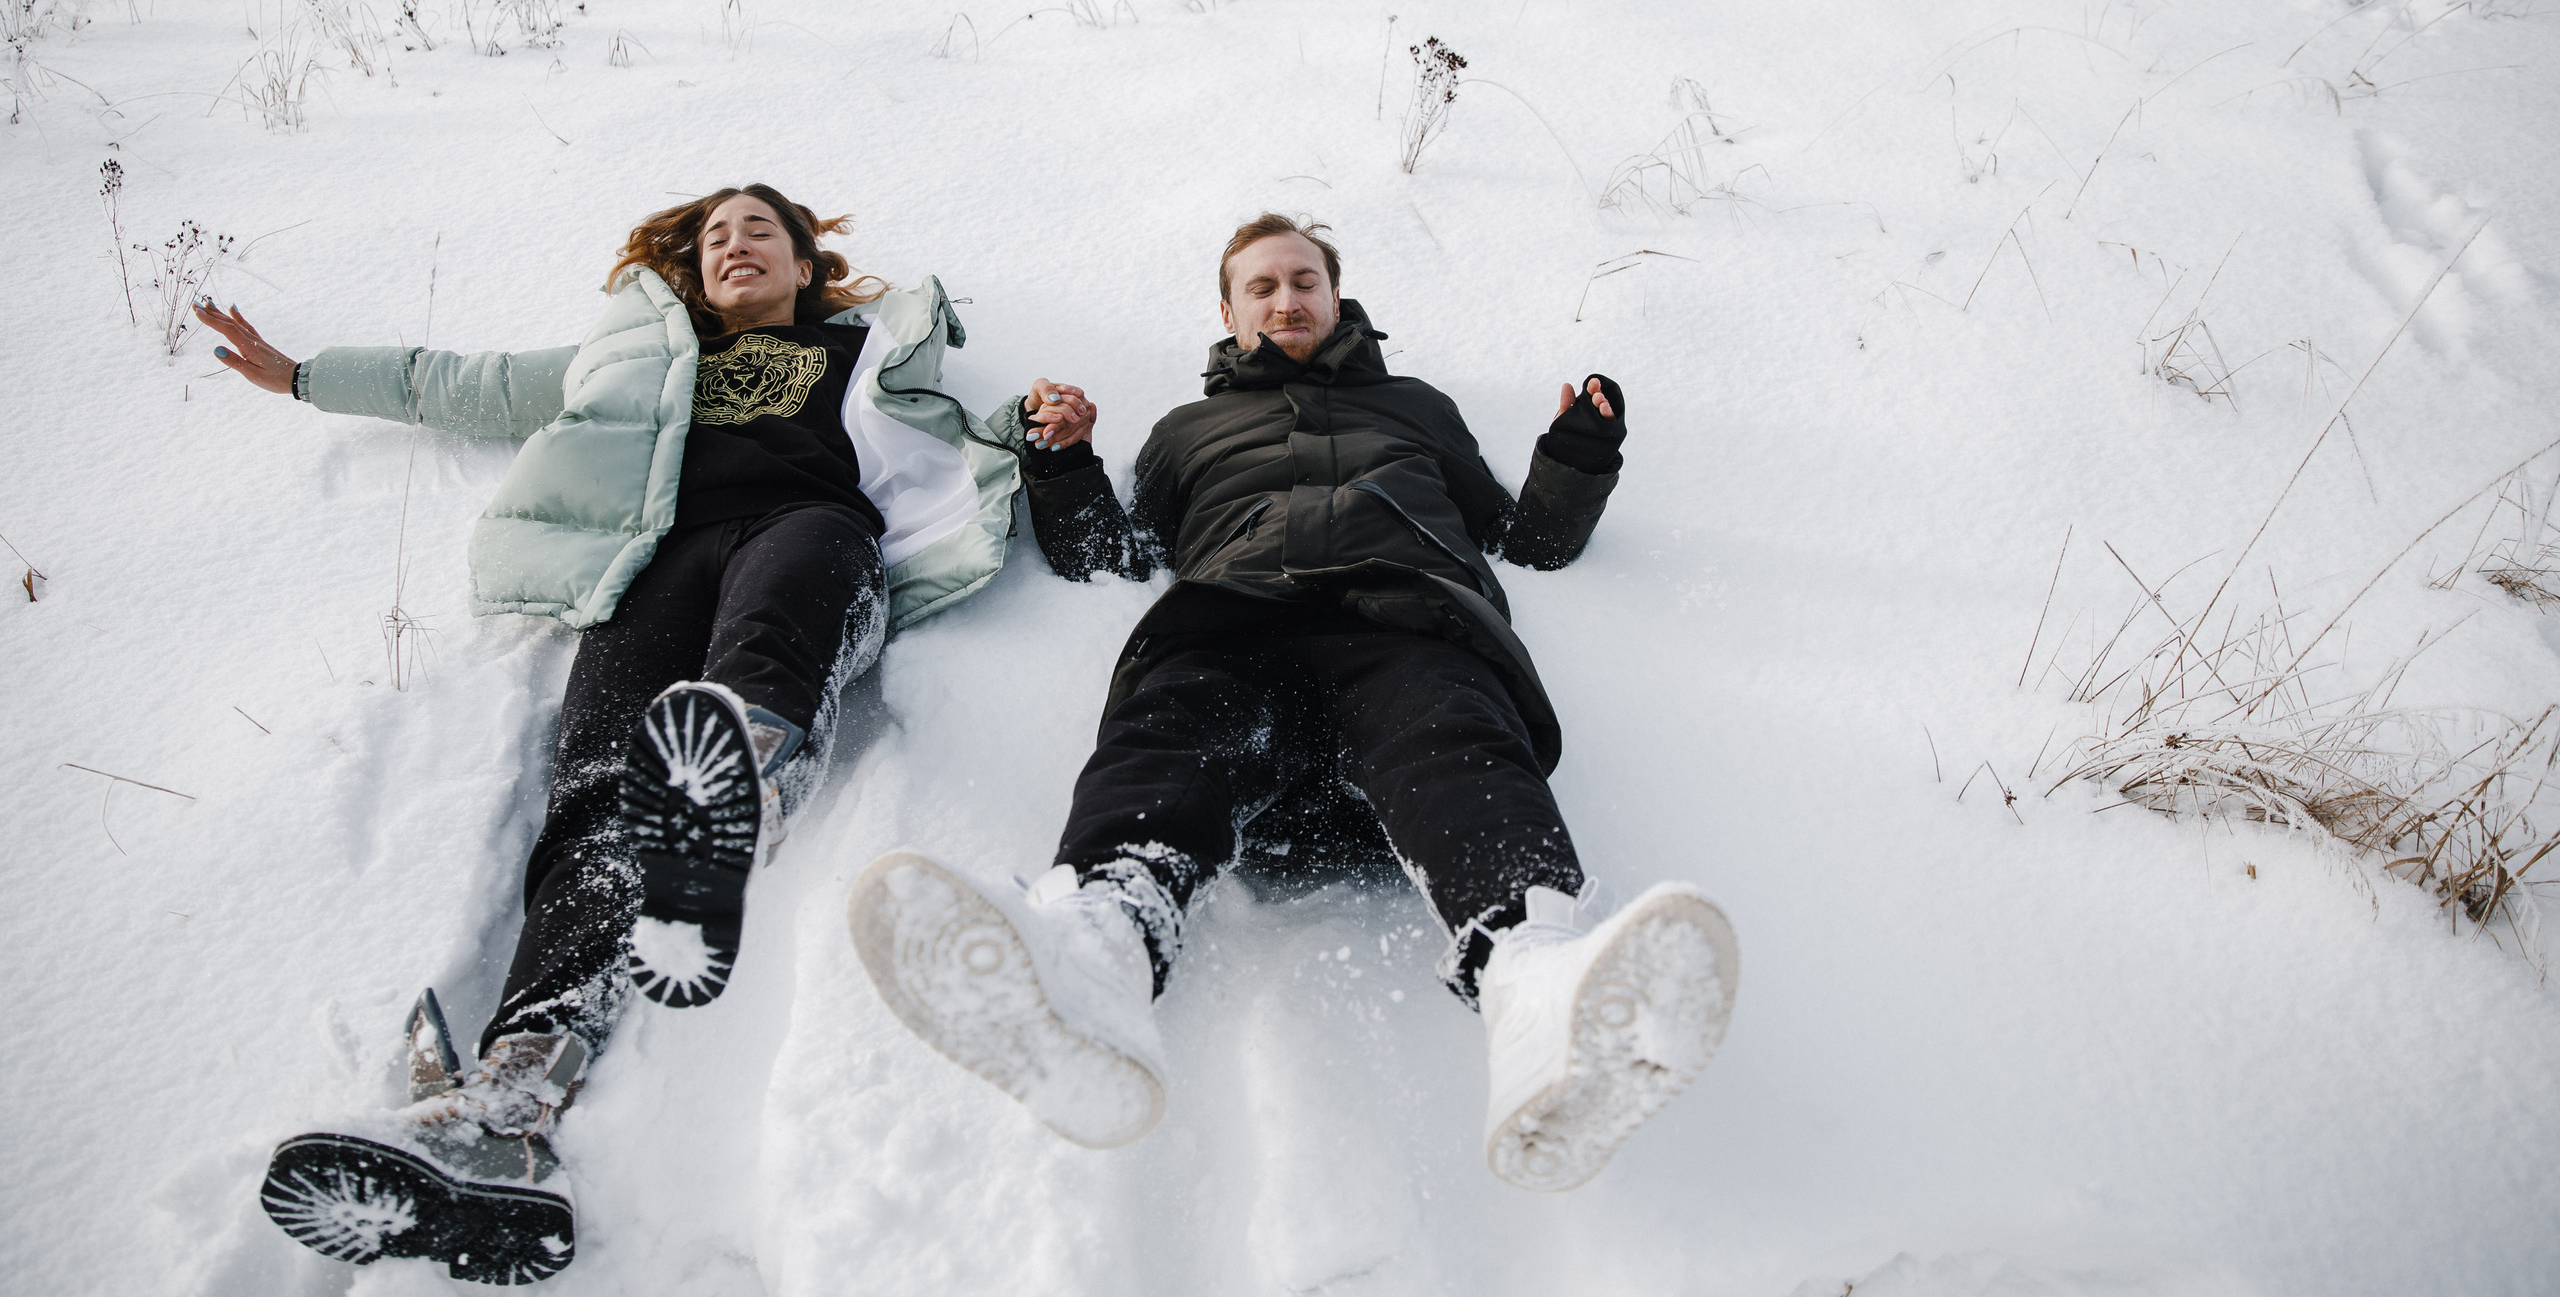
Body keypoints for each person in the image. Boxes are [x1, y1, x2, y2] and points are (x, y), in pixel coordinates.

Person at [207, 186, 1098, 1285]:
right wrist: (301, 374)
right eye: (714, 235)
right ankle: (512, 1101)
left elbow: (963, 436)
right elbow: (464, 383)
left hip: (811, 532)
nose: (733, 246)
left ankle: (744, 782)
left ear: (805, 263)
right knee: (592, 802)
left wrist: (1041, 426)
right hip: (655, 569)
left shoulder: (865, 348)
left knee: (772, 630)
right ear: (690, 267)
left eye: (758, 231)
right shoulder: (631, 355)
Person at [847, 213, 1740, 1193]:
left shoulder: (1417, 407)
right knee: (1174, 732)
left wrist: (1576, 456)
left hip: (1406, 617)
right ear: (1228, 312)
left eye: (1302, 281)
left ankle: (1537, 980)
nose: (1285, 299)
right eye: (1261, 287)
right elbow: (1111, 559)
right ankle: (1097, 956)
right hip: (1238, 624)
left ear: (1335, 294)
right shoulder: (1187, 434)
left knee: (1450, 739)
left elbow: (1524, 539)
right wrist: (1064, 465)